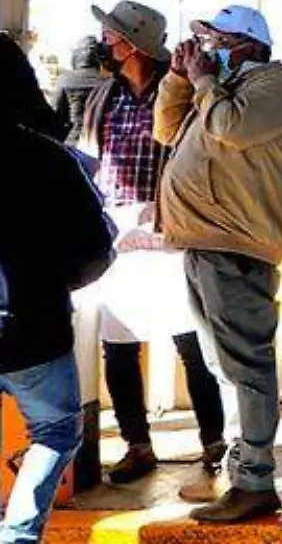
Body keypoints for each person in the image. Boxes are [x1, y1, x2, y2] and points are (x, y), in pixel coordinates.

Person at [153, 6, 282, 524]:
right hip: (205, 244)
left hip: (237, 248)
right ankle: (243, 472)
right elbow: (165, 130)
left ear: (245, 44)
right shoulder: (216, 87)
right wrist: (180, 80)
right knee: (226, 366)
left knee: (247, 367)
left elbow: (230, 131)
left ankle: (255, 480)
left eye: (214, 39)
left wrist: (203, 81)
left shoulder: (274, 88)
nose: (204, 49)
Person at [79, 1, 228, 485]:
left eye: (113, 35)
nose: (105, 42)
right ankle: (137, 445)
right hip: (119, 234)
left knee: (190, 339)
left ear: (134, 44)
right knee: (118, 345)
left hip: (170, 231)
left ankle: (214, 443)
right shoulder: (106, 96)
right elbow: (93, 155)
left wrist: (168, 216)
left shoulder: (177, 91)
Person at [0, 35, 94, 544]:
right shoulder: (51, 160)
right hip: (35, 330)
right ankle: (17, 535)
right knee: (56, 433)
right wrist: (56, 282)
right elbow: (95, 249)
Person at [51, 38, 108, 145]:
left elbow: (55, 119)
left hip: (74, 144)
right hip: (102, 146)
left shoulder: (65, 80)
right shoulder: (109, 82)